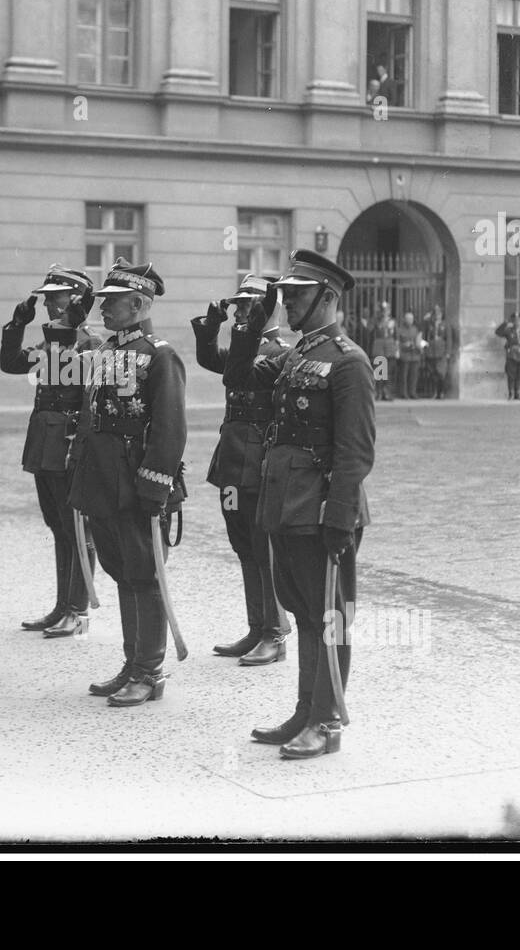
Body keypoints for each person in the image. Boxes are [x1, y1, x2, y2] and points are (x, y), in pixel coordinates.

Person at [223, 251, 375, 759]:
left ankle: (327, 721)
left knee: (329, 615)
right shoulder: (296, 355)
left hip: (322, 509)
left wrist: (339, 519)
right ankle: (305, 710)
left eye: (296, 295)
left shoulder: (348, 360)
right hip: (286, 502)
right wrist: (254, 321)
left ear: (328, 297)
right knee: (304, 612)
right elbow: (238, 374)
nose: (286, 302)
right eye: (283, 294)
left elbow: (356, 450)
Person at [69, 259, 187, 707]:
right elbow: (92, 418)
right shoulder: (105, 354)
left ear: (138, 303)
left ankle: (150, 670)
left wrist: (154, 489)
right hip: (102, 482)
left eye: (112, 303)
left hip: (137, 486)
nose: (103, 310)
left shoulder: (161, 355)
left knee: (144, 575)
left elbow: (170, 430)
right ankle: (131, 661)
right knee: (122, 574)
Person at [191, 274, 293, 665]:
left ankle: (275, 632)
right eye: (240, 305)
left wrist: (239, 337)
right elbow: (210, 359)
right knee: (243, 546)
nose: (243, 311)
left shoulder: (281, 352)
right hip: (233, 459)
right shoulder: (243, 348)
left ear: (270, 308)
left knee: (263, 547)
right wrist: (212, 325)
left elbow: (237, 371)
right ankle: (256, 627)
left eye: (251, 304)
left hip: (260, 462)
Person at [1, 265, 102, 637]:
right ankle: (62, 605)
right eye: (44, 297)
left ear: (76, 300)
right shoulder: (50, 343)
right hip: (45, 444)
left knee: (77, 527)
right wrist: (16, 326)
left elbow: (92, 404)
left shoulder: (90, 344)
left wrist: (83, 450)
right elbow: (11, 363)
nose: (46, 303)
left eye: (54, 297)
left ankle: (78, 610)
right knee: (58, 526)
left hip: (70, 445)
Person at [421, 304, 459, 399]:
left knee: (441, 373)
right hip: (431, 351)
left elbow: (449, 339)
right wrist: (424, 349)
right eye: (435, 314)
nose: (437, 316)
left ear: (442, 315)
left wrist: (448, 352)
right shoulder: (429, 324)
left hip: (441, 352)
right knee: (433, 373)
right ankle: (435, 392)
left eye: (439, 314)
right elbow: (424, 337)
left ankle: (441, 392)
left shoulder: (445, 325)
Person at [495, 312, 520, 400]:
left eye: (519, 320)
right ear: (512, 321)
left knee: (519, 375)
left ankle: (517, 395)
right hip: (512, 355)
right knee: (511, 375)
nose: (517, 322)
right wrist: (505, 323)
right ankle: (511, 394)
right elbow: (498, 332)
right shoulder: (508, 330)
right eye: (515, 320)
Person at [370, 301, 397, 401]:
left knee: (389, 372)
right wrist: (377, 318)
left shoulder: (393, 321)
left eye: (386, 310)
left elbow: (396, 336)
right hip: (379, 348)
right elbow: (370, 329)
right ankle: (379, 392)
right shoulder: (376, 320)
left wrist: (396, 349)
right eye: (383, 310)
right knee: (379, 372)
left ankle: (387, 392)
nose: (385, 312)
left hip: (389, 348)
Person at [395, 310, 424, 400]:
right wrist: (404, 345)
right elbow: (397, 342)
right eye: (408, 318)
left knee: (413, 375)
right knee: (404, 376)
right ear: (404, 319)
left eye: (411, 318)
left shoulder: (415, 329)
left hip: (414, 355)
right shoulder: (400, 329)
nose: (410, 320)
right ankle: (403, 393)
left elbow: (419, 340)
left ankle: (412, 392)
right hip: (405, 355)